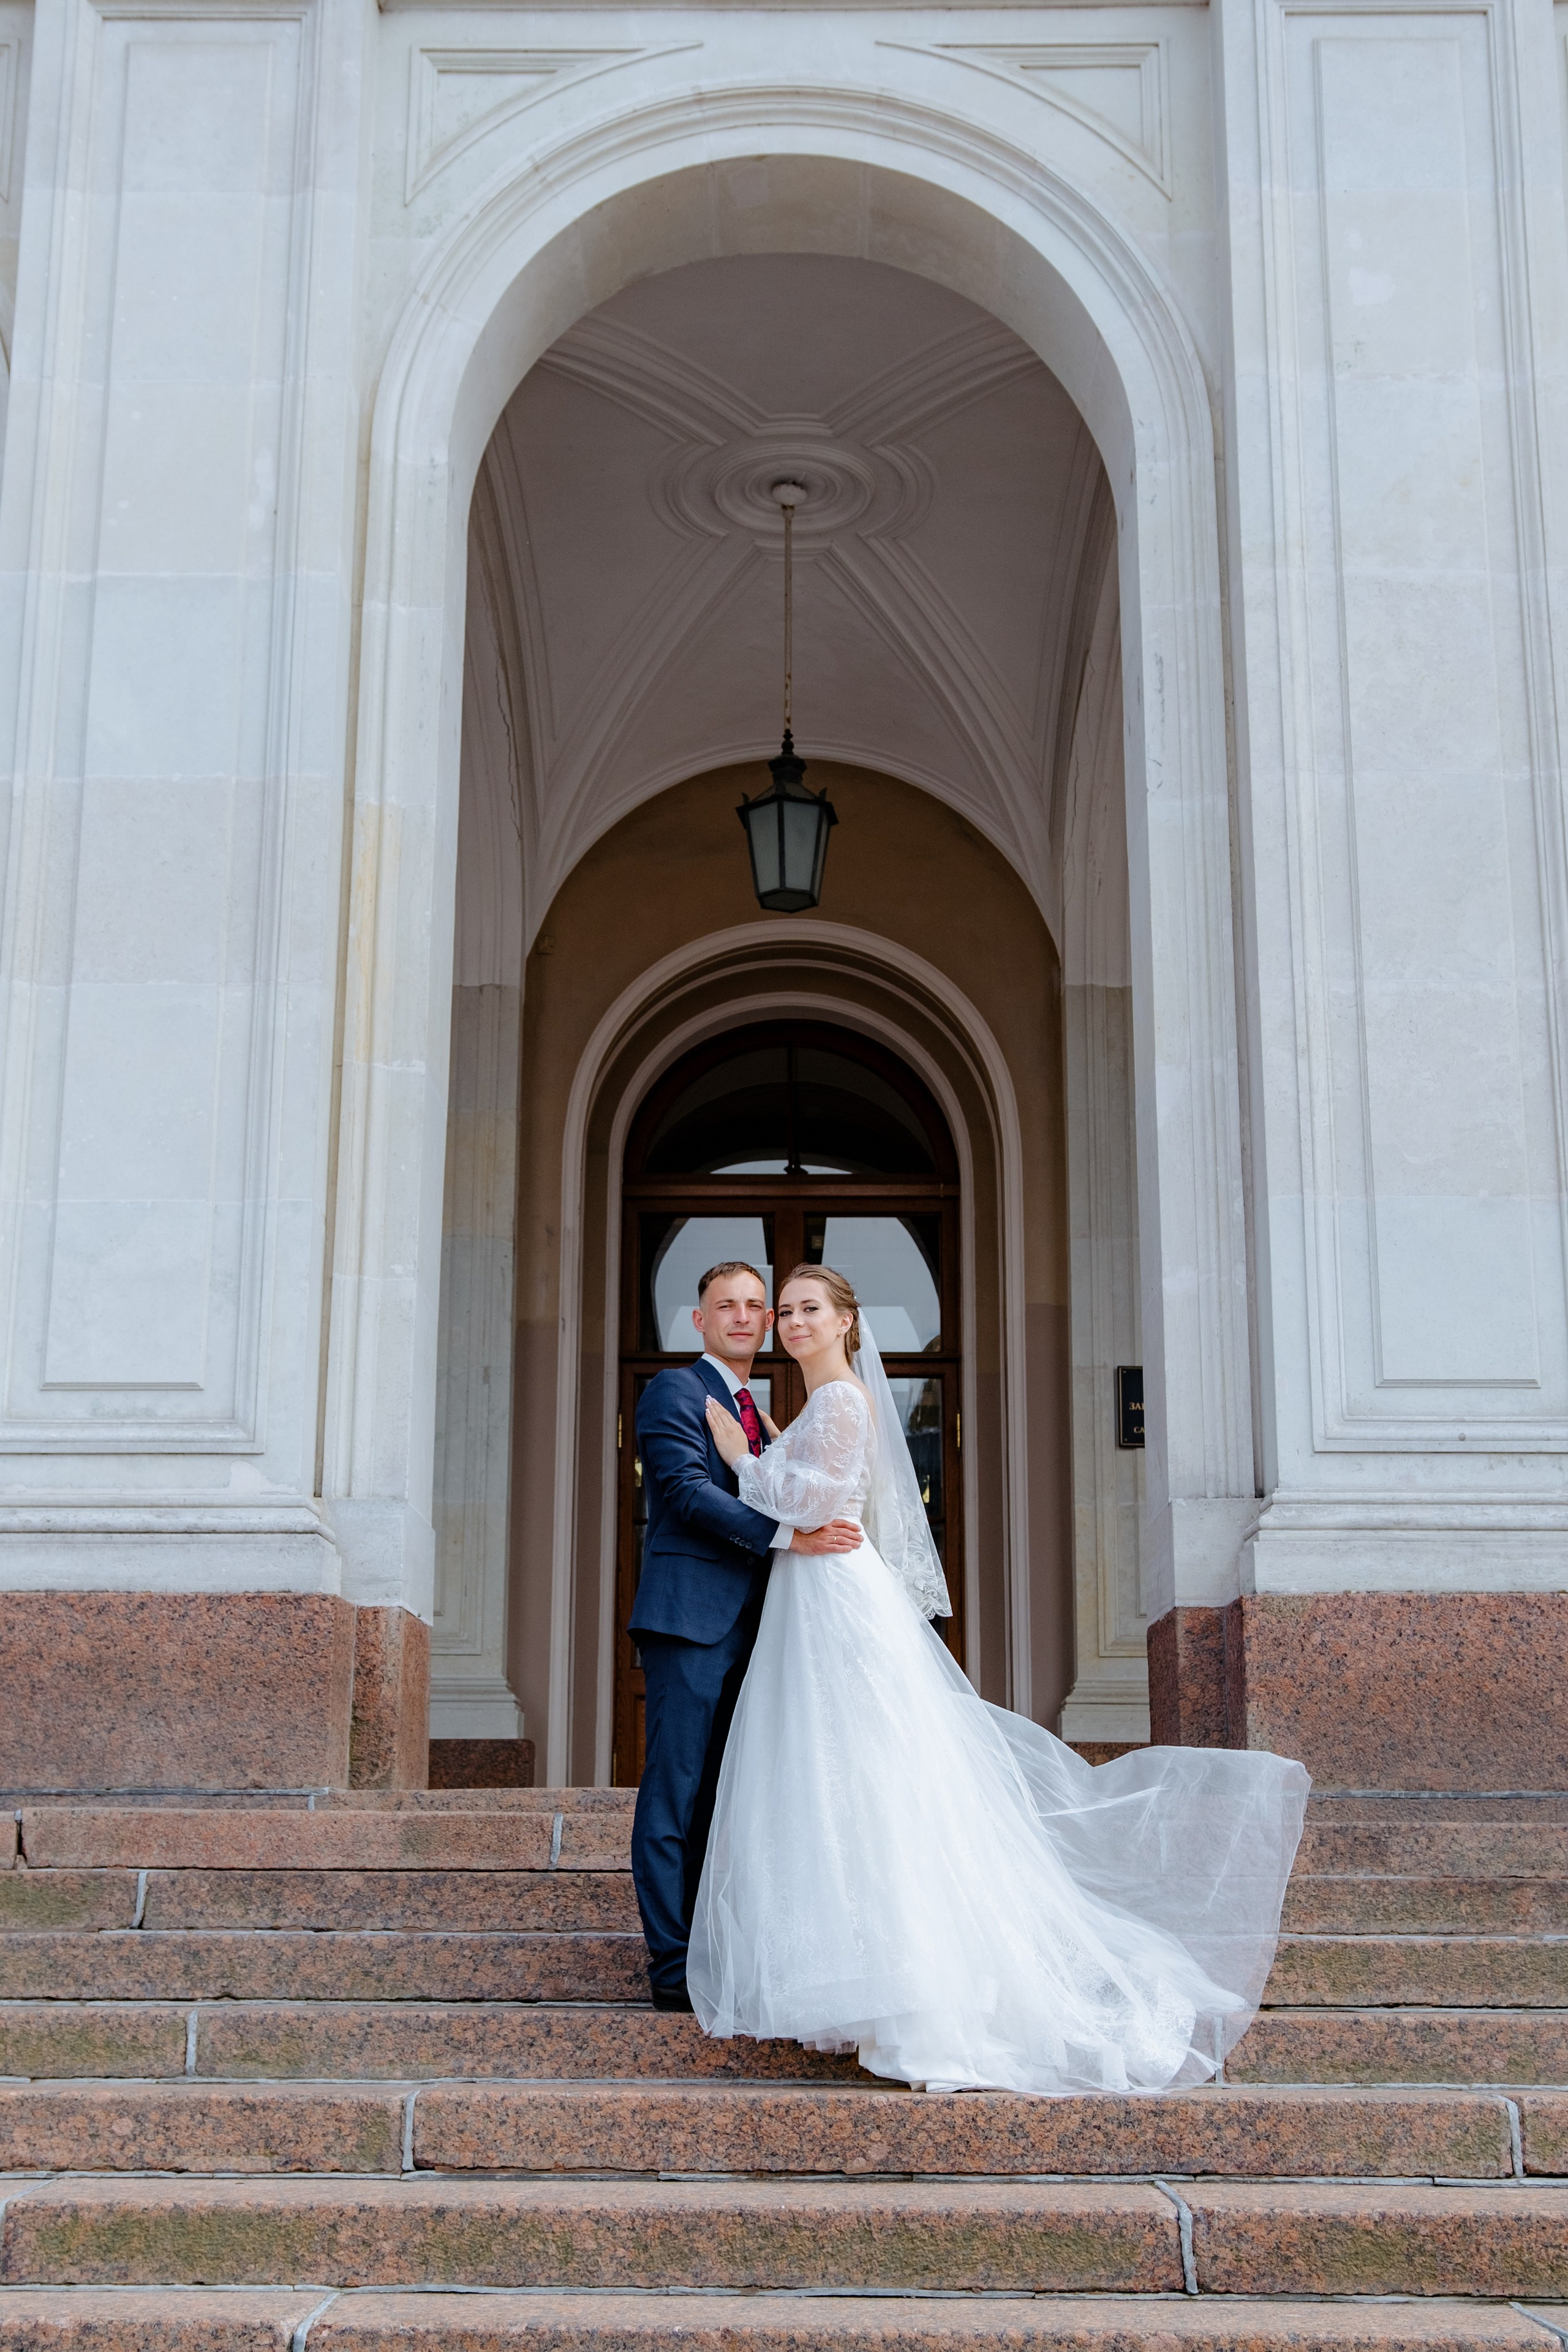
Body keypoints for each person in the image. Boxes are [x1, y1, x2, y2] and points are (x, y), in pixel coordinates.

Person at [688, 1262, 1311, 2094]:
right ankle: (866, 1981)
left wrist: (741, 1457)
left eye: (810, 1310)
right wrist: (771, 1439)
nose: (793, 1322)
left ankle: (912, 1994)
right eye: (787, 1311)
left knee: (868, 1777)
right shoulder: (816, 1405)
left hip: (835, 1594)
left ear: (847, 1322)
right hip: (815, 1599)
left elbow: (819, 1503)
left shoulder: (840, 1401)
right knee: (839, 1777)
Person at [629, 1260, 862, 2011]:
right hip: (690, 1620)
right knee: (675, 1796)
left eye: (755, 1307)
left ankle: (714, 1951)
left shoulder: (760, 1412)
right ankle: (671, 1969)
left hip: (762, 1629)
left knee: (727, 1799)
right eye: (725, 1305)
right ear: (698, 1320)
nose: (743, 1317)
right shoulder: (676, 1390)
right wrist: (789, 1541)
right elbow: (687, 1495)